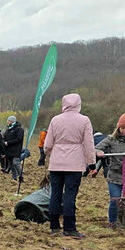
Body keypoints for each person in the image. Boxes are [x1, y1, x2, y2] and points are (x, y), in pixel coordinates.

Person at [43, 92, 96, 238]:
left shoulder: (55, 120)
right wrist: (92, 163)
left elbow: (47, 144)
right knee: (70, 195)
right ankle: (69, 228)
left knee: (55, 194)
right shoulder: (84, 120)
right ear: (79, 104)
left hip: (56, 163)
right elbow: (89, 144)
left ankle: (54, 226)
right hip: (75, 163)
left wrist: (50, 154)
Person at [2, 115, 25, 184]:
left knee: (15, 162)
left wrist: (8, 143)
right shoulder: (8, 129)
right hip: (8, 150)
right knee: (11, 164)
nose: (7, 122)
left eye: (8, 121)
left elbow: (18, 139)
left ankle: (21, 176)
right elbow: (5, 137)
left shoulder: (19, 129)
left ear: (11, 121)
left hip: (16, 149)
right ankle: (14, 177)